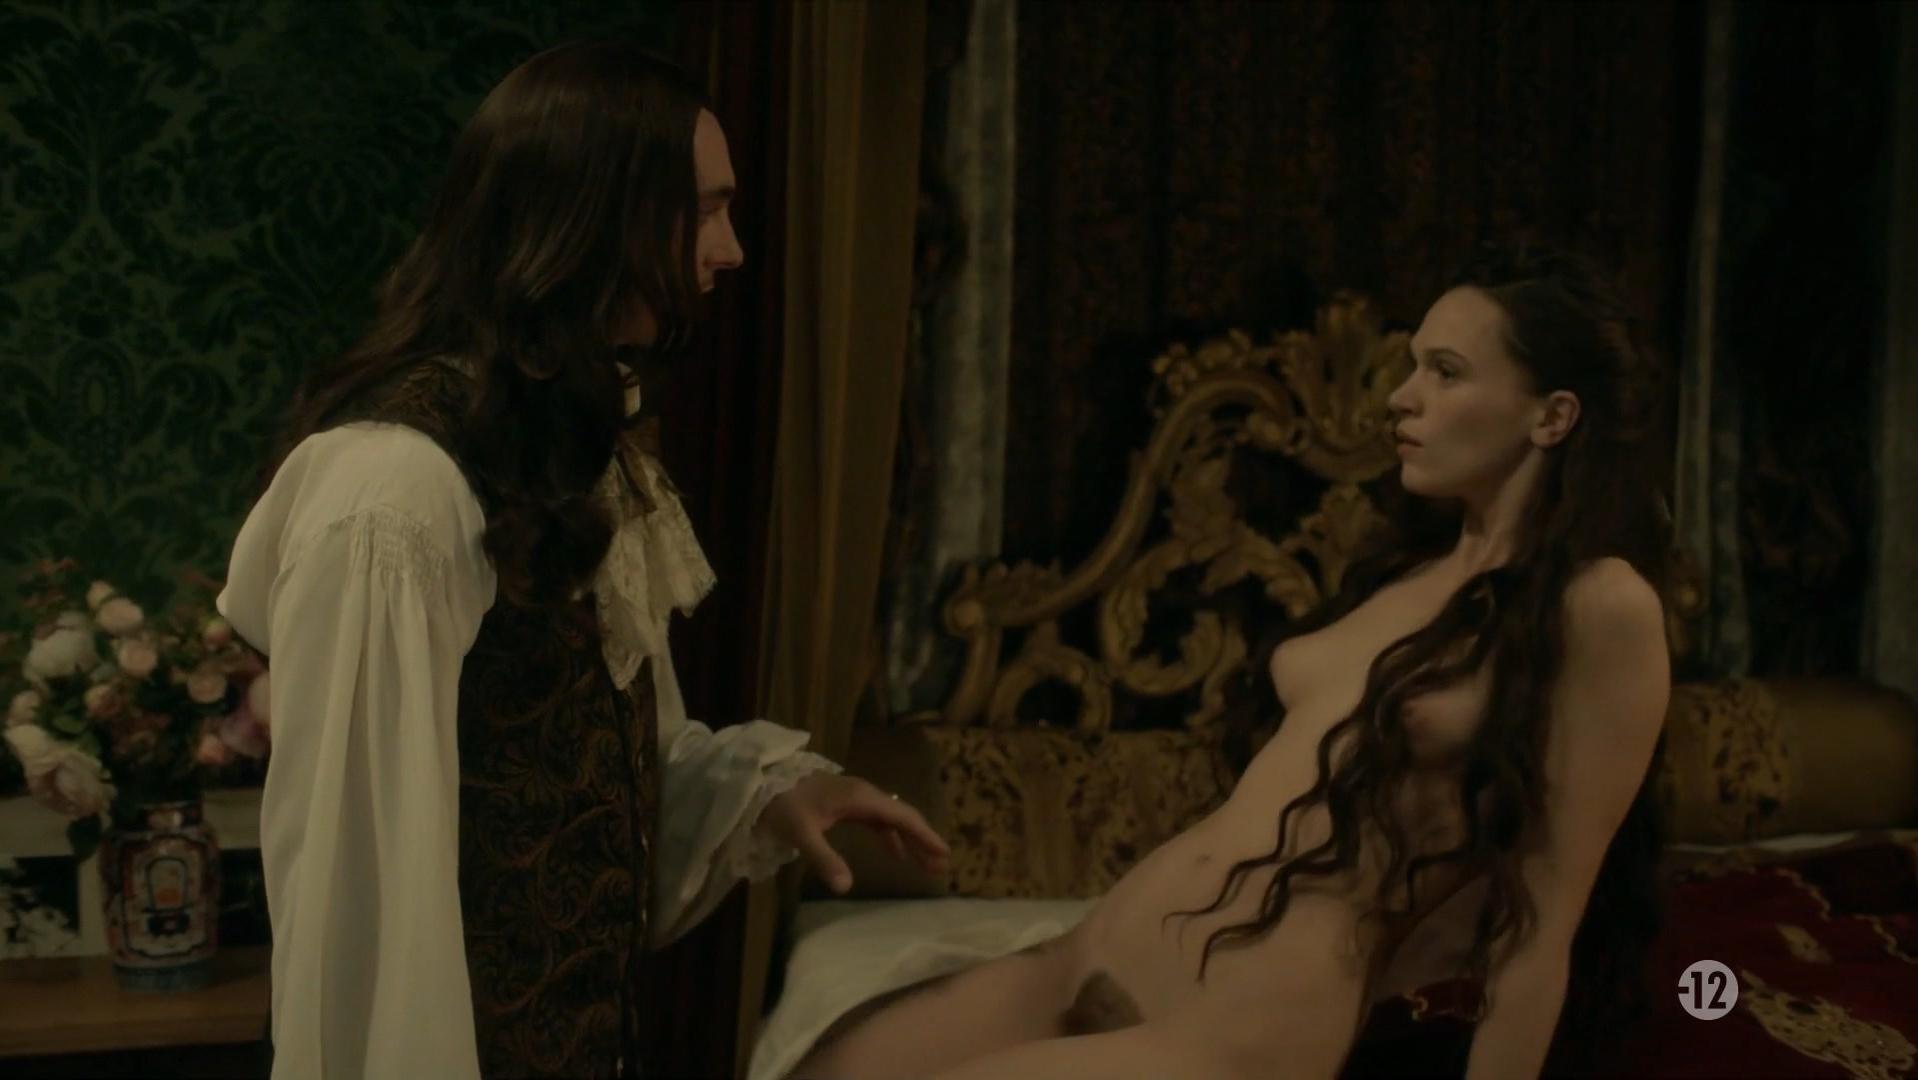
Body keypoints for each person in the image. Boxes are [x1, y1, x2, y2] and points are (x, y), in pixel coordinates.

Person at [216, 41, 949, 1079]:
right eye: (705, 210)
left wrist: (767, 796)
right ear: (597, 215)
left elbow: (594, 772)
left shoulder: (565, 445)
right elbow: (366, 900)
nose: (731, 250)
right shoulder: (397, 490)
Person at [788, 242, 1671, 1080]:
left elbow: (1537, 924)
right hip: (1096, 950)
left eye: (1445, 372)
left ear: (1552, 416)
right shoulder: (1411, 569)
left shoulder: (1602, 607)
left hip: (1248, 1019)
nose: (1401, 398)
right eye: (1411, 366)